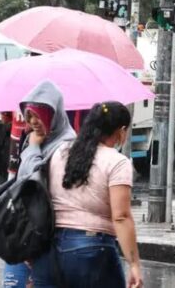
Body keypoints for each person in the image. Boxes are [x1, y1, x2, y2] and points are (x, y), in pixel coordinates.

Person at [30, 102, 142, 288]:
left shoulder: (60, 152)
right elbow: (121, 217)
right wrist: (134, 264)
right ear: (121, 131)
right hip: (90, 249)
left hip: (48, 250)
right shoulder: (117, 162)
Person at [2, 81, 77, 288]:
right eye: (29, 116)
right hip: (21, 235)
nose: (33, 122)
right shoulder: (32, 140)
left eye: (39, 115)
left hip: (46, 240)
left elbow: (40, 187)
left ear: (54, 114)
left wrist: (34, 149)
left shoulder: (66, 146)